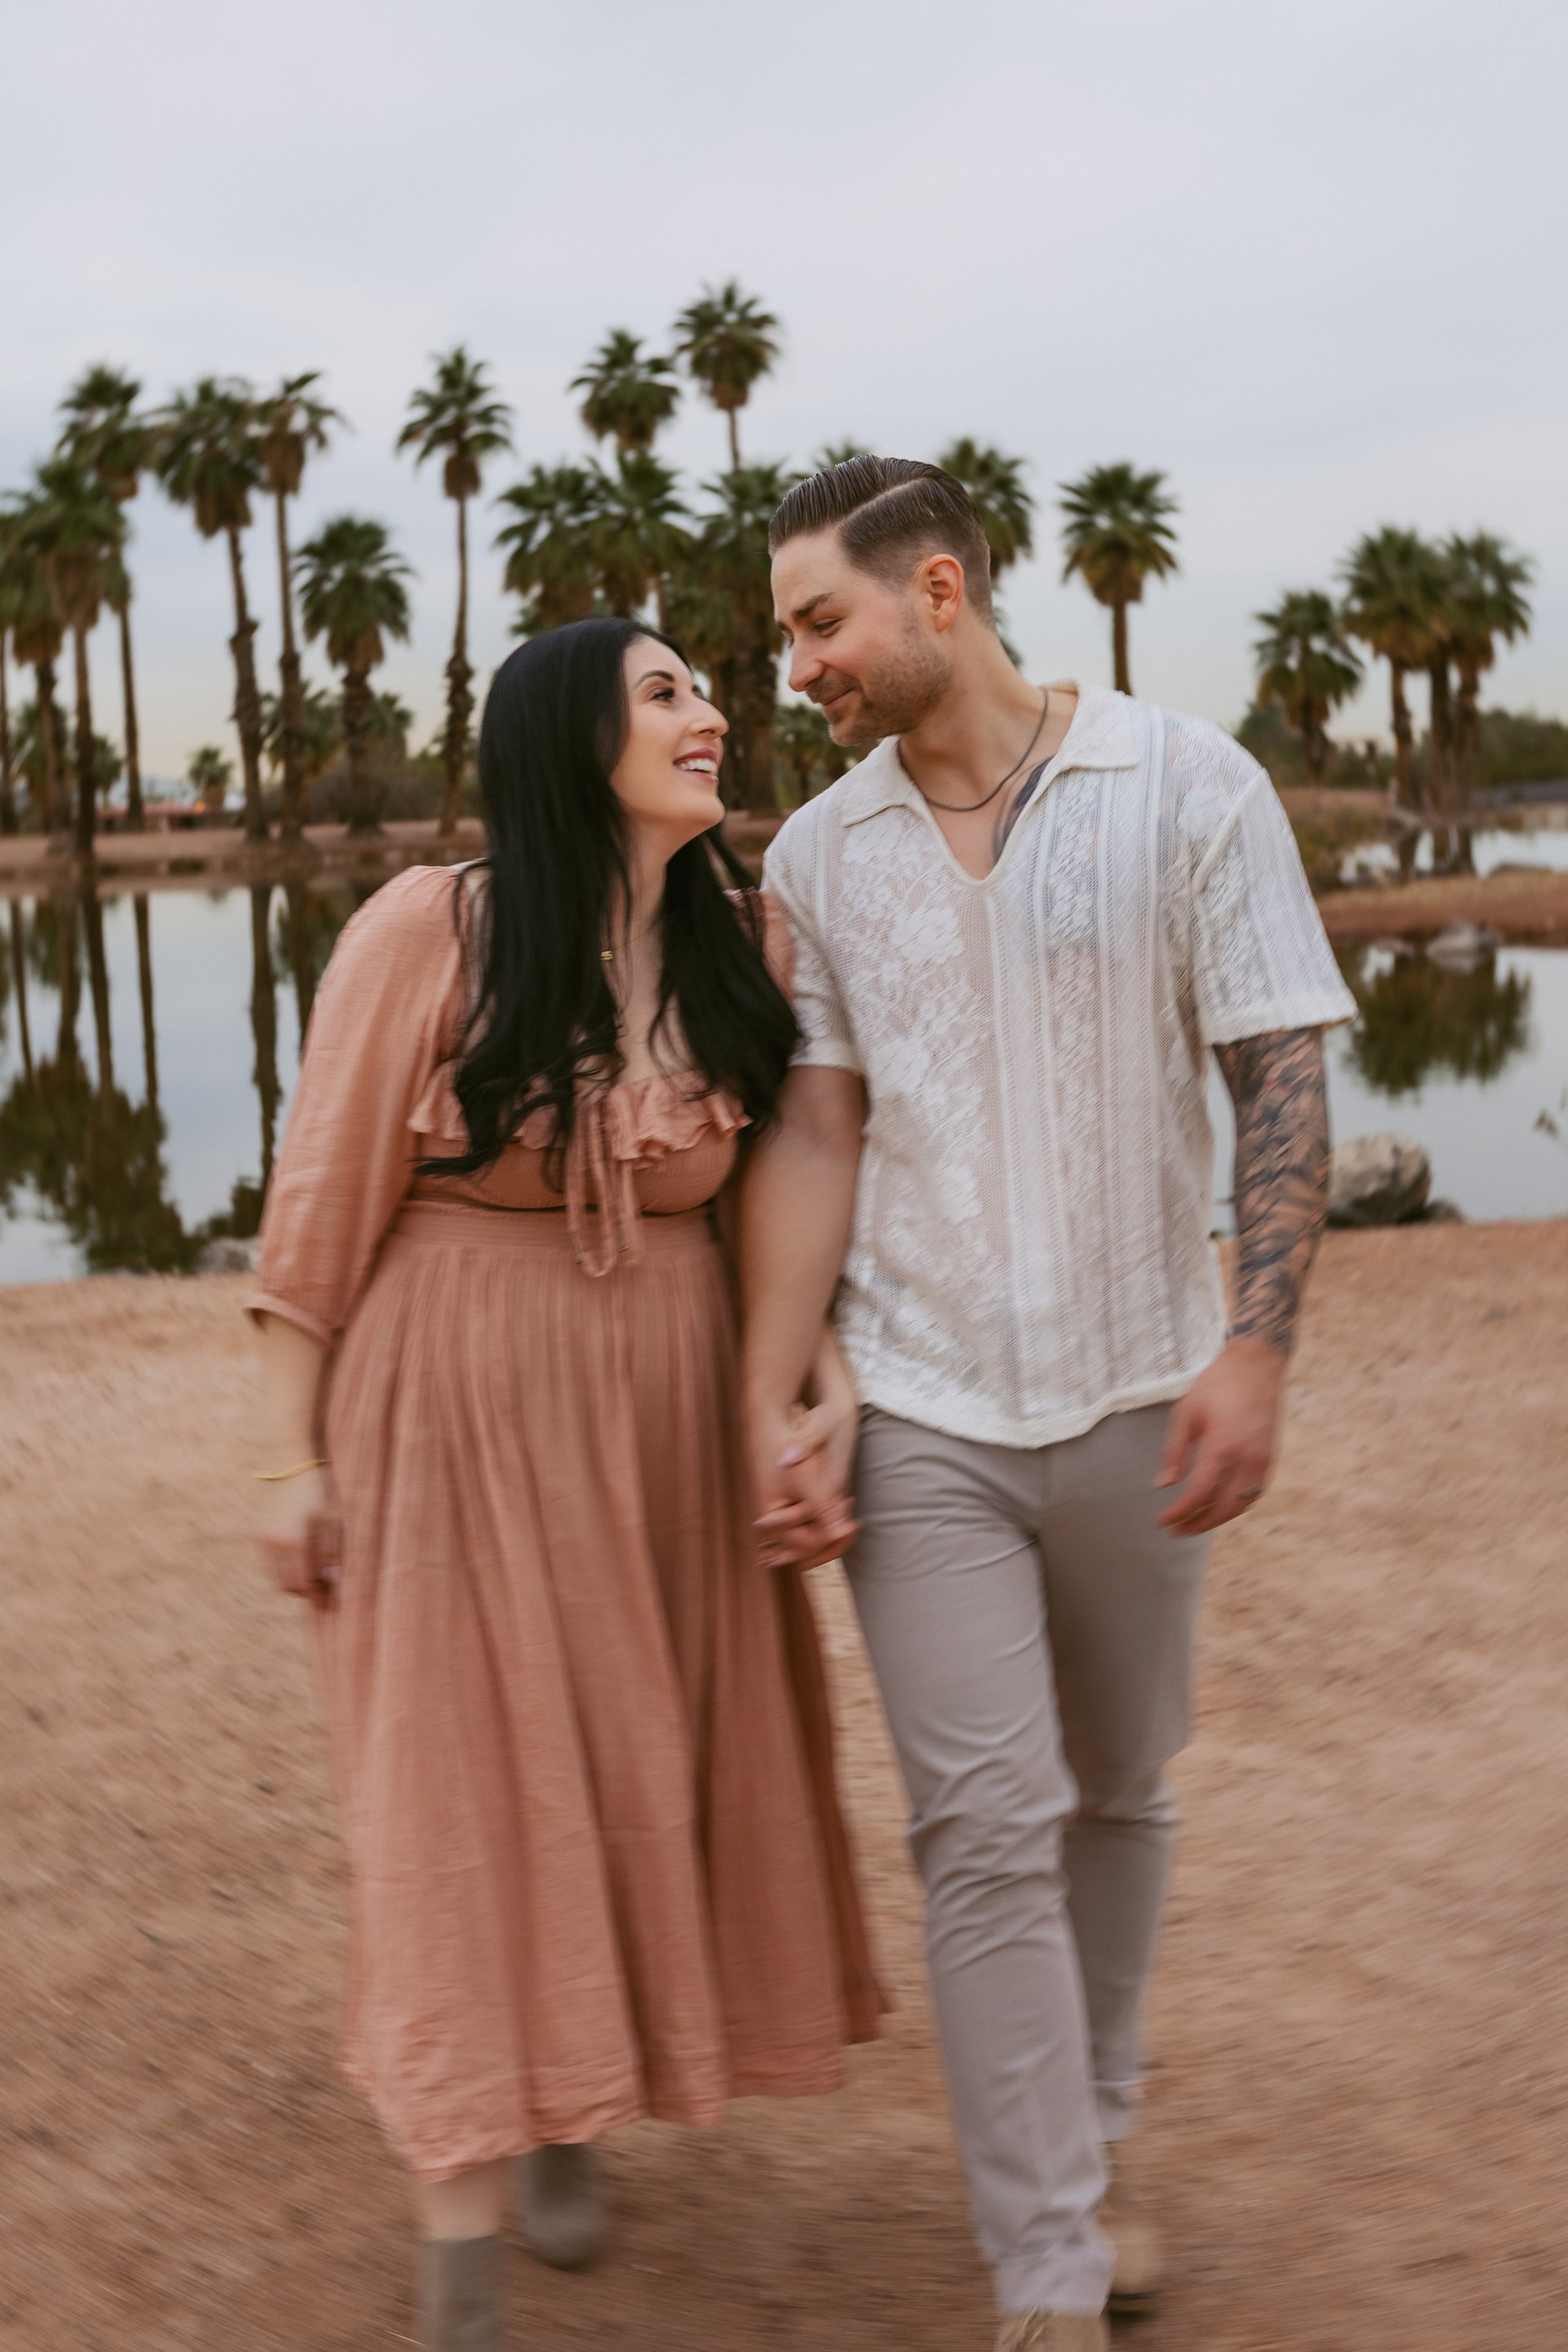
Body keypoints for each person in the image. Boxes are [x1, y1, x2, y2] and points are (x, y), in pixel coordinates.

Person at [741, 457, 1356, 2352]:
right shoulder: (815, 857)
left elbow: (1278, 1074)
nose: (798, 669)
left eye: (820, 624)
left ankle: (1084, 2140)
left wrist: (1256, 1346)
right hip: (923, 1406)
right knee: (983, 1823)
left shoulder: (1191, 785)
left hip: (1142, 1384)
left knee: (1115, 1789)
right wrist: (772, 1386)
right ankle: (1048, 2274)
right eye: (785, 637)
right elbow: (817, 1127)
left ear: (939, 590)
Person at [250, 617, 880, 2352]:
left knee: (615, 1768)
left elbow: (779, 1188)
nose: (711, 713)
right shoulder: (431, 929)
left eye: (704, 688)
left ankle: (564, 2109)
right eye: (665, 693)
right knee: (456, 1798)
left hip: (666, 1418)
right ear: (563, 738)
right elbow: (317, 1201)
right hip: (449, 1410)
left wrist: (807, 1368)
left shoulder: (746, 936)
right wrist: (290, 1455)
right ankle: (462, 2259)